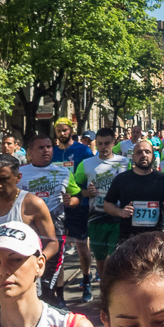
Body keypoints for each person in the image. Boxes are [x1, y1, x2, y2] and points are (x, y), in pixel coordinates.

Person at [18, 134, 82, 307]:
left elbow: (77, 197)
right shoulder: (20, 173)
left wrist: (72, 201)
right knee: (32, 260)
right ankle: (34, 296)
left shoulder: (63, 172)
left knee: (56, 262)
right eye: (41, 147)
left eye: (48, 147)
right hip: (29, 225)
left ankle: (58, 296)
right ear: (30, 152)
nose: (46, 151)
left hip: (56, 223)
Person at [0, 154, 58, 262]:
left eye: (3, 179)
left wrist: (39, 262)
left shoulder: (33, 204)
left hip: (24, 276)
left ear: (18, 177)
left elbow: (52, 243)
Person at [74, 128, 128, 283]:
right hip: (96, 217)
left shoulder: (124, 163)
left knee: (115, 256)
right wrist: (85, 192)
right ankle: (105, 289)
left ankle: (114, 289)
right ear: (95, 144)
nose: (103, 147)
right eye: (100, 144)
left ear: (113, 143)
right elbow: (74, 188)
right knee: (101, 259)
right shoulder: (86, 164)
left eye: (107, 143)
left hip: (117, 216)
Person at [52, 118, 95, 303]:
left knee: (80, 246)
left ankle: (86, 279)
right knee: (58, 248)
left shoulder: (82, 150)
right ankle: (59, 291)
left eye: (65, 130)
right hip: (57, 207)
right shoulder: (51, 152)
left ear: (71, 130)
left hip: (79, 204)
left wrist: (83, 194)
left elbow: (89, 175)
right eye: (59, 130)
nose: (63, 133)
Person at [104, 140, 164, 242]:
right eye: (139, 152)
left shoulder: (161, 178)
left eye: (147, 152)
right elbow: (107, 204)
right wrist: (120, 212)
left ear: (153, 156)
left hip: (154, 238)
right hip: (128, 239)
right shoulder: (122, 178)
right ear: (133, 157)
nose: (143, 155)